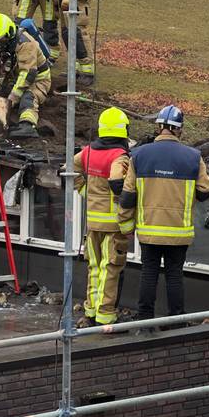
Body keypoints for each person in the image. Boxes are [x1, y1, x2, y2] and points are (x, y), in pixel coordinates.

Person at [118, 105, 209, 325]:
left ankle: (145, 321)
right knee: (174, 275)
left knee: (148, 273)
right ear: (179, 129)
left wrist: (125, 225)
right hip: (179, 232)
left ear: (159, 126)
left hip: (149, 230)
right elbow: (205, 190)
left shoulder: (139, 155)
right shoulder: (193, 157)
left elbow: (128, 195)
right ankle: (176, 321)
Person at [74, 107, 132, 327]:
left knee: (94, 268)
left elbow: (69, 168)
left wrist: (85, 191)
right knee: (111, 269)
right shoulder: (119, 156)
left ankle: (90, 311)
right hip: (113, 226)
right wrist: (123, 199)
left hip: (92, 223)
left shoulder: (88, 152)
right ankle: (106, 315)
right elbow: (117, 180)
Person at [0, 12, 52, 139]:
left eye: (0, 40)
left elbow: (28, 74)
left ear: (9, 33)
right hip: (13, 78)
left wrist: (11, 99)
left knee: (28, 97)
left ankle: (27, 125)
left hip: (37, 80)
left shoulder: (26, 43)